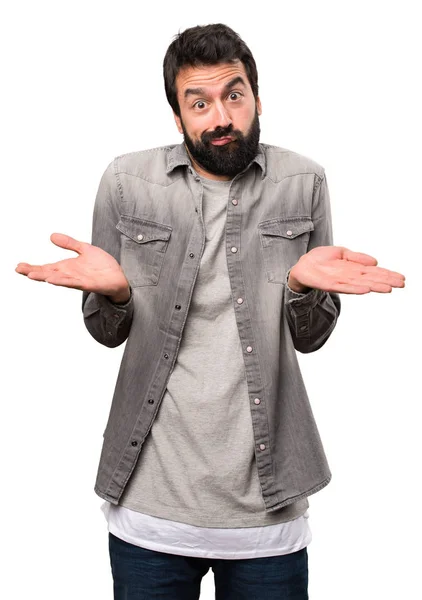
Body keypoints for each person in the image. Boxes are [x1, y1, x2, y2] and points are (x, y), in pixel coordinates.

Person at [15, 22, 405, 600]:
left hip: (267, 519)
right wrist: (117, 295)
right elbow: (105, 332)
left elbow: (312, 337)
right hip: (150, 508)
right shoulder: (126, 183)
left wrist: (300, 288)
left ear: (257, 98)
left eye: (234, 95)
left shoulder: (305, 182)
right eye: (198, 102)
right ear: (178, 116)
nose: (220, 116)